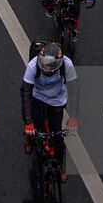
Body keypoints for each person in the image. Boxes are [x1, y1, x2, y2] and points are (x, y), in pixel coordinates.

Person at [22, 41, 78, 178]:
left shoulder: (67, 64)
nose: (47, 68)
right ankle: (29, 139)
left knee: (58, 135)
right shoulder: (32, 66)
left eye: (50, 66)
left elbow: (75, 90)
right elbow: (26, 94)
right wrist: (29, 122)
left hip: (57, 101)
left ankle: (60, 163)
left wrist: (73, 117)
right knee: (34, 127)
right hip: (37, 98)